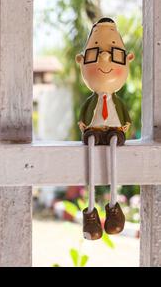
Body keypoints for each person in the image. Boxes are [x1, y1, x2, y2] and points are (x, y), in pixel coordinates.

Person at [76, 17, 134, 240]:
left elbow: (123, 113)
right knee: (91, 150)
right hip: (93, 130)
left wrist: (124, 124)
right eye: (94, 54)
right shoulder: (92, 101)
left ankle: (113, 208)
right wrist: (84, 123)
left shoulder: (117, 102)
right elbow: (85, 111)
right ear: (81, 61)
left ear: (128, 60)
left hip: (114, 130)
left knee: (113, 152)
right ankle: (90, 214)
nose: (104, 57)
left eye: (115, 54)